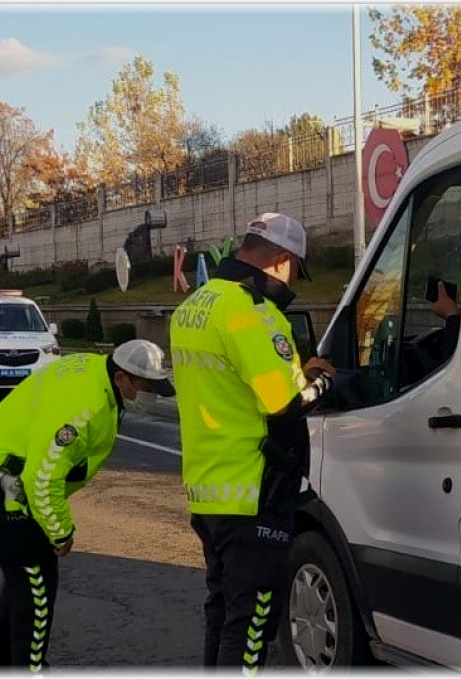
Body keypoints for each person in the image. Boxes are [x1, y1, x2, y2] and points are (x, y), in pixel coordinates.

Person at [170, 213, 336, 672]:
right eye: (295, 270)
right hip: (254, 494)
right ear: (282, 259)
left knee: (223, 612)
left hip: (209, 490)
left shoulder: (195, 305)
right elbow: (285, 402)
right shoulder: (251, 312)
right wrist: (322, 380)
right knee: (251, 626)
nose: (292, 282)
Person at [0, 340, 176, 669]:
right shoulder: (85, 409)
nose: (149, 395)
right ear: (121, 378)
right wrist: (60, 532)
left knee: (22, 582)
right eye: (145, 387)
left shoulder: (92, 367)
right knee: (37, 591)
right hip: (4, 487)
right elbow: (42, 479)